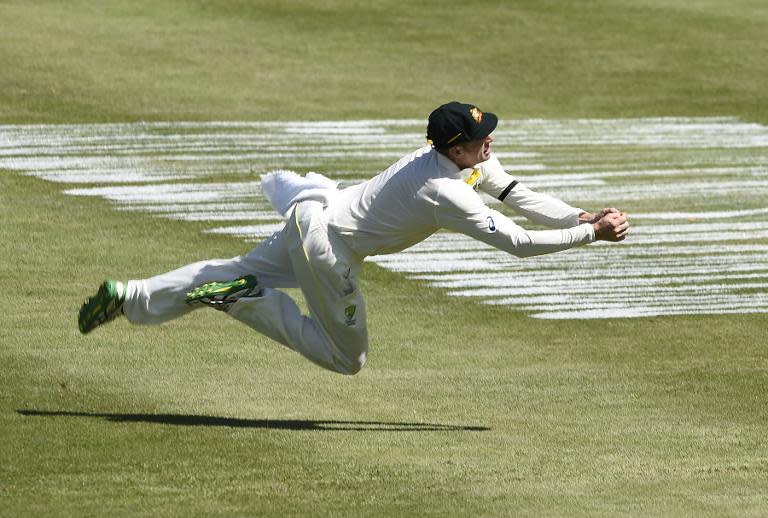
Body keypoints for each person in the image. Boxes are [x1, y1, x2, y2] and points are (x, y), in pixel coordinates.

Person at [78, 101, 629, 375]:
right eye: (480, 140)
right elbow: (518, 244)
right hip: (329, 248)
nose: (489, 144)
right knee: (347, 359)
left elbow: (517, 194)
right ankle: (248, 301)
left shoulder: (460, 158)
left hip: (312, 213)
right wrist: (590, 236)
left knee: (224, 268)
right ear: (455, 150)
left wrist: (578, 214)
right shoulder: (446, 191)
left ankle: (130, 296)